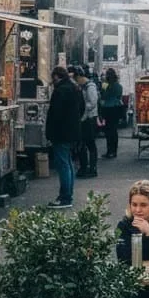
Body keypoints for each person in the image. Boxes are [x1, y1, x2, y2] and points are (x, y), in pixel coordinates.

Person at [46, 65, 83, 209]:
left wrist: (50, 132)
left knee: (63, 164)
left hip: (61, 133)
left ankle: (65, 197)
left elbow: (55, 114)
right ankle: (68, 195)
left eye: (53, 77)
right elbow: (82, 108)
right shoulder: (74, 88)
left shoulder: (60, 91)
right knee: (68, 162)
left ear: (56, 76)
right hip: (72, 131)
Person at [74, 67, 100, 179]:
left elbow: (93, 102)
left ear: (80, 77)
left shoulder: (90, 86)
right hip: (84, 118)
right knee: (82, 144)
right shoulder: (82, 87)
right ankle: (84, 166)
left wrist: (83, 109)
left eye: (76, 78)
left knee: (90, 143)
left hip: (89, 118)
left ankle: (92, 168)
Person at [99, 67, 124, 159]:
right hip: (116, 108)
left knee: (108, 130)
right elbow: (119, 96)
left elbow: (103, 95)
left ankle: (109, 151)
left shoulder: (105, 84)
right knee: (114, 130)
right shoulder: (119, 86)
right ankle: (114, 151)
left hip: (107, 108)